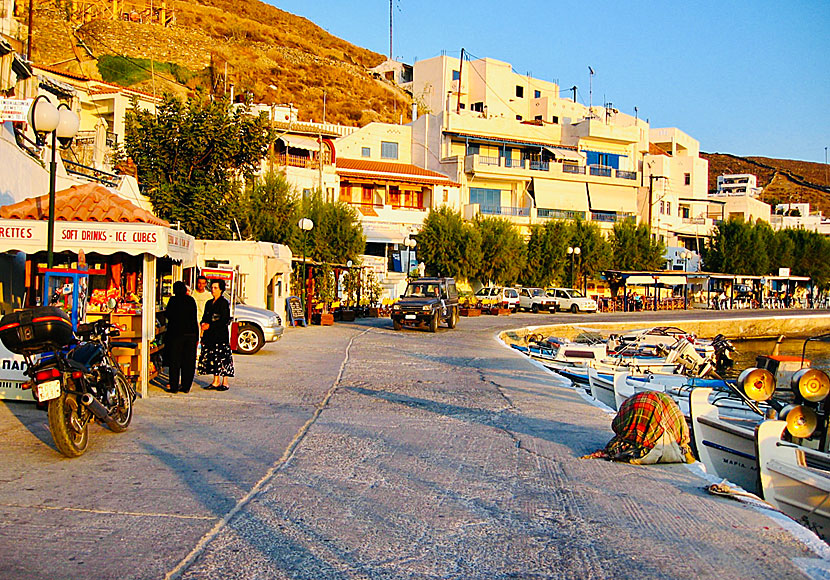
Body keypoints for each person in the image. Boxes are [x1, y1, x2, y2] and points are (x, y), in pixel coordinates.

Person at [198, 279, 234, 390]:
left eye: (216, 288)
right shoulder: (209, 303)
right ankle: (215, 380)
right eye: (212, 288)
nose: (213, 290)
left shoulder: (224, 303)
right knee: (213, 357)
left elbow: (224, 319)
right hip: (210, 335)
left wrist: (211, 325)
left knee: (223, 357)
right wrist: (203, 324)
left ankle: (225, 382)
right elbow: (205, 316)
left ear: (221, 289)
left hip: (220, 334)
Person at [164, 281, 198, 394]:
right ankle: (186, 386)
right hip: (191, 335)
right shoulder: (191, 300)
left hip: (176, 334)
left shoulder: (173, 301)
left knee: (175, 361)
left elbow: (168, 314)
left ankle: (173, 386)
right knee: (188, 361)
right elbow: (194, 318)